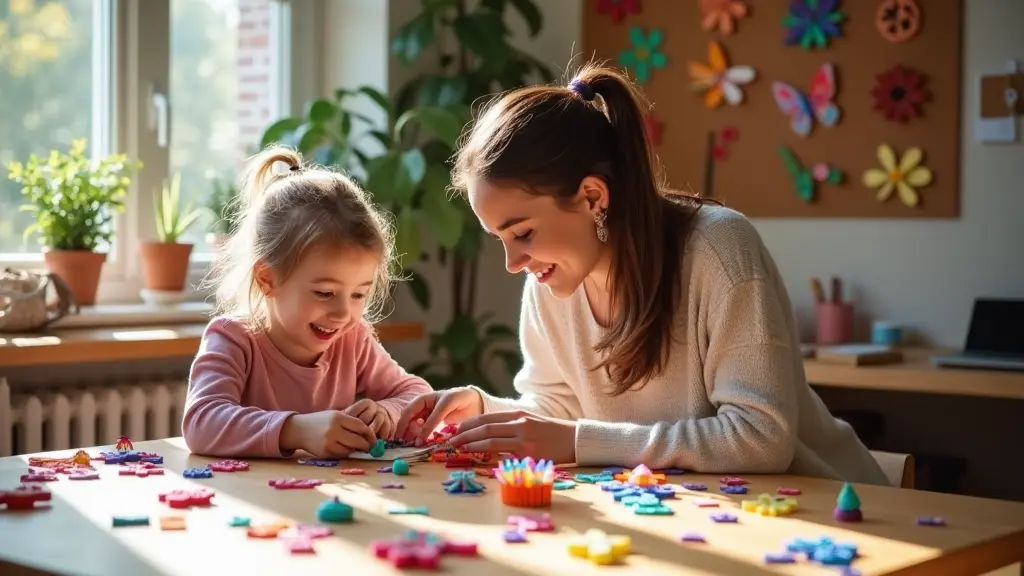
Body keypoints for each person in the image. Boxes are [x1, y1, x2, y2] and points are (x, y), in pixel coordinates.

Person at [395, 63, 889, 485]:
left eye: (522, 233)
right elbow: (560, 414)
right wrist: (486, 410)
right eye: (499, 238)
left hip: (836, 518)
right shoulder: (551, 282)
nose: (513, 263)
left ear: (592, 197)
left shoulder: (719, 249)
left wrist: (578, 441)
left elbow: (760, 439)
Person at [183, 147, 433, 459]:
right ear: (267, 279)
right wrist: (296, 430)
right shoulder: (232, 338)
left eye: (359, 295)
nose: (344, 314)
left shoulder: (352, 339)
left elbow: (419, 395)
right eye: (325, 293)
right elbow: (200, 422)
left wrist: (387, 411)